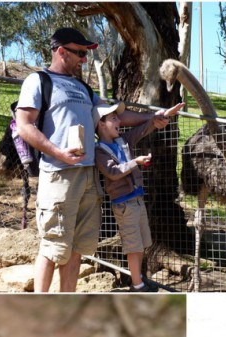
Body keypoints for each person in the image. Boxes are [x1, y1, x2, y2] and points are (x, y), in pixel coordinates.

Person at [16, 27, 181, 293]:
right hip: (59, 175)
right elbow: (25, 125)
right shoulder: (39, 81)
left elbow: (113, 116)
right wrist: (58, 153)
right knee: (53, 246)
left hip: (89, 177)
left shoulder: (82, 87)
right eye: (80, 53)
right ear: (61, 51)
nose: (84, 59)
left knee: (77, 248)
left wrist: (152, 118)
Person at [95, 100, 184, 292]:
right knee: (133, 246)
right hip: (124, 204)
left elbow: (144, 129)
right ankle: (137, 285)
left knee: (142, 243)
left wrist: (164, 114)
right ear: (101, 124)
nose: (119, 120)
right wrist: (135, 162)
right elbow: (114, 172)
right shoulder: (99, 150)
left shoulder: (122, 140)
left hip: (137, 199)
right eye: (113, 118)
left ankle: (139, 279)